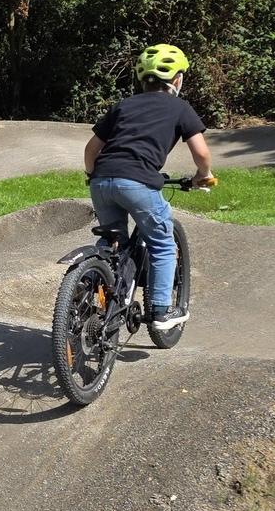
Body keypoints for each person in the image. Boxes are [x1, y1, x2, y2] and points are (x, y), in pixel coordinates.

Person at [83, 43, 214, 331]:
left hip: (102, 180)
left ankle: (89, 294)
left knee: (111, 241)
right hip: (138, 183)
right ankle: (159, 312)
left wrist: (92, 175)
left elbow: (91, 150)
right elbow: (201, 153)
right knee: (163, 244)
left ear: (143, 80)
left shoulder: (124, 105)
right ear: (177, 80)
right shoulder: (180, 108)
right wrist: (203, 175)